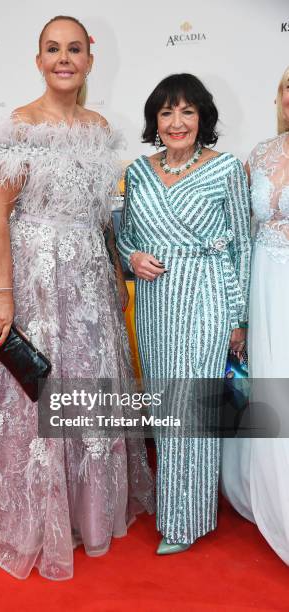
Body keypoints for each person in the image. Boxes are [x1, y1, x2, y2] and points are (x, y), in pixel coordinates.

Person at [0, 15, 154, 581]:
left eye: (75, 49)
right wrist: (5, 296)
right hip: (33, 283)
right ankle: (34, 517)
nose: (64, 58)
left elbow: (100, 217)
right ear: (38, 60)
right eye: (53, 49)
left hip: (89, 283)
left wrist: (114, 275)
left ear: (89, 60)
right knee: (36, 394)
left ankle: (87, 513)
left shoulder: (100, 127)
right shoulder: (20, 126)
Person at [117, 73, 251, 554]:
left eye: (187, 112)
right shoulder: (137, 171)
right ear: (155, 119)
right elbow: (125, 234)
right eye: (167, 112)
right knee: (164, 405)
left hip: (206, 296)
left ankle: (186, 520)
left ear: (203, 118)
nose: (177, 122)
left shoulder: (227, 169)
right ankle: (178, 501)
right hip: (155, 306)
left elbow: (242, 247)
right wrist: (132, 258)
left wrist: (239, 318)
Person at [221, 66, 289, 565]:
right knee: (268, 381)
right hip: (264, 281)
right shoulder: (259, 155)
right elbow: (237, 231)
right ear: (278, 94)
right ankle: (266, 484)